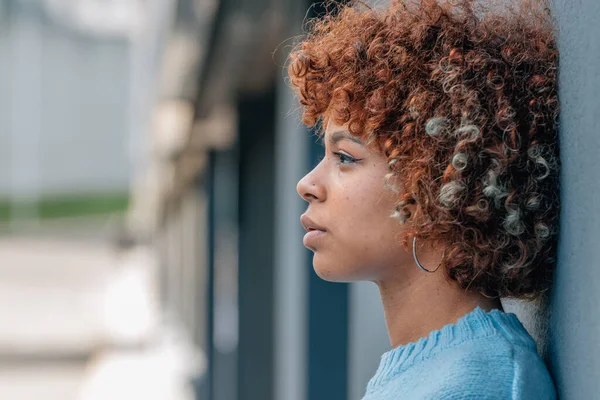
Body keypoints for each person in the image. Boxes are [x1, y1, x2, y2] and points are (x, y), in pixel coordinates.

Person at [289, 0, 559, 398]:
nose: (307, 184)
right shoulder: (431, 371)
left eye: (344, 157)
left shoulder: (480, 382)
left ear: (438, 181)